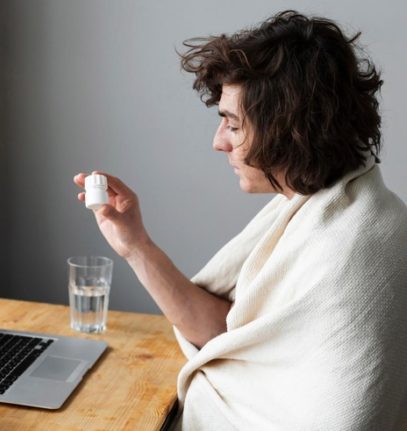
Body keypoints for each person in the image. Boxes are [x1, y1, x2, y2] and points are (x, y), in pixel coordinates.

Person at [74, 10, 407, 430]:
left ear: (288, 128)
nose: (219, 142)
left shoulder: (350, 249)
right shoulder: (324, 206)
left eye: (232, 125)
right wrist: (134, 244)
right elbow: (228, 335)